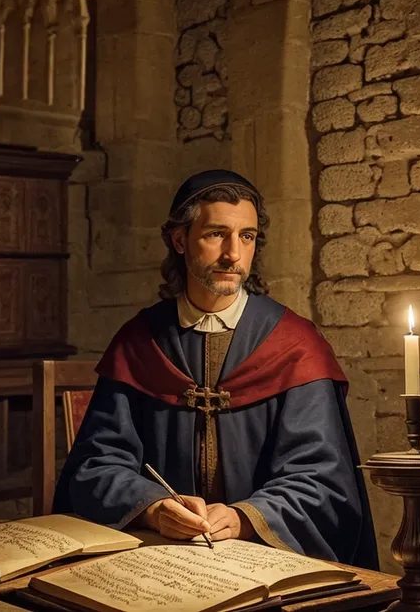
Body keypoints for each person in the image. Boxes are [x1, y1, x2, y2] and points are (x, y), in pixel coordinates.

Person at [54, 169, 378, 569]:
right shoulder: (139, 342)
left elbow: (322, 479)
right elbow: (96, 465)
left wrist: (245, 517)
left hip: (265, 560)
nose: (233, 254)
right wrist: (153, 508)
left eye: (247, 236)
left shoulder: (295, 346)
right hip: (157, 557)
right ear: (179, 240)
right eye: (215, 234)